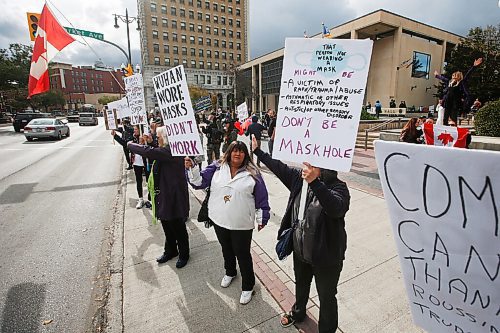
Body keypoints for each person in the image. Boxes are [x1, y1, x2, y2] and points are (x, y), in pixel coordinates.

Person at [250, 136, 349, 333]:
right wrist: (258, 151)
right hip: (301, 250)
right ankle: (298, 312)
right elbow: (279, 168)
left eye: (314, 164)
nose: (307, 166)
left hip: (326, 257)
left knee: (326, 297)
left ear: (326, 167)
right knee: (301, 285)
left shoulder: (339, 188)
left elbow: (336, 208)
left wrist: (315, 183)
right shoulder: (299, 180)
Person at [185, 141, 270, 304]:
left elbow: (262, 198)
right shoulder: (217, 167)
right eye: (234, 151)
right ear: (229, 152)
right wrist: (191, 168)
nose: (237, 154)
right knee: (226, 248)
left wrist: (262, 217)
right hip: (219, 219)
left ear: (246, 155)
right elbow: (198, 183)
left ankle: (248, 286)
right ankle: (230, 272)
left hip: (241, 224)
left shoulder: (253, 173)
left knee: (243, 254)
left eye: (241, 151)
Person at [128, 126, 191, 269]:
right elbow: (156, 150)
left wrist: (131, 144)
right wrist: (150, 142)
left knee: (178, 227)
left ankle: (184, 254)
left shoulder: (172, 151)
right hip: (164, 194)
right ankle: (170, 250)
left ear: (166, 138)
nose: (157, 139)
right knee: (167, 225)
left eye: (159, 137)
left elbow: (150, 152)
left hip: (174, 196)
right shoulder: (166, 150)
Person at [434, 58, 483, 125]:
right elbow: (443, 78)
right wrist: (437, 75)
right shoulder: (449, 82)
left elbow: (467, 76)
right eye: (453, 75)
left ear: (458, 76)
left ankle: (453, 131)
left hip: (454, 103)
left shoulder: (461, 83)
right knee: (445, 118)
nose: (453, 77)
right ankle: (444, 131)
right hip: (447, 102)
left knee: (453, 118)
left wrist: (474, 67)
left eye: (455, 75)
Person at [112, 126, 150, 209]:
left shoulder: (146, 137)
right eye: (134, 129)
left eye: (136, 129)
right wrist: (115, 136)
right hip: (136, 163)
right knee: (139, 181)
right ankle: (140, 199)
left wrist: (145, 140)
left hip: (146, 163)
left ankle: (150, 200)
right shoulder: (132, 138)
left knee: (149, 181)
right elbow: (124, 143)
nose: (135, 131)